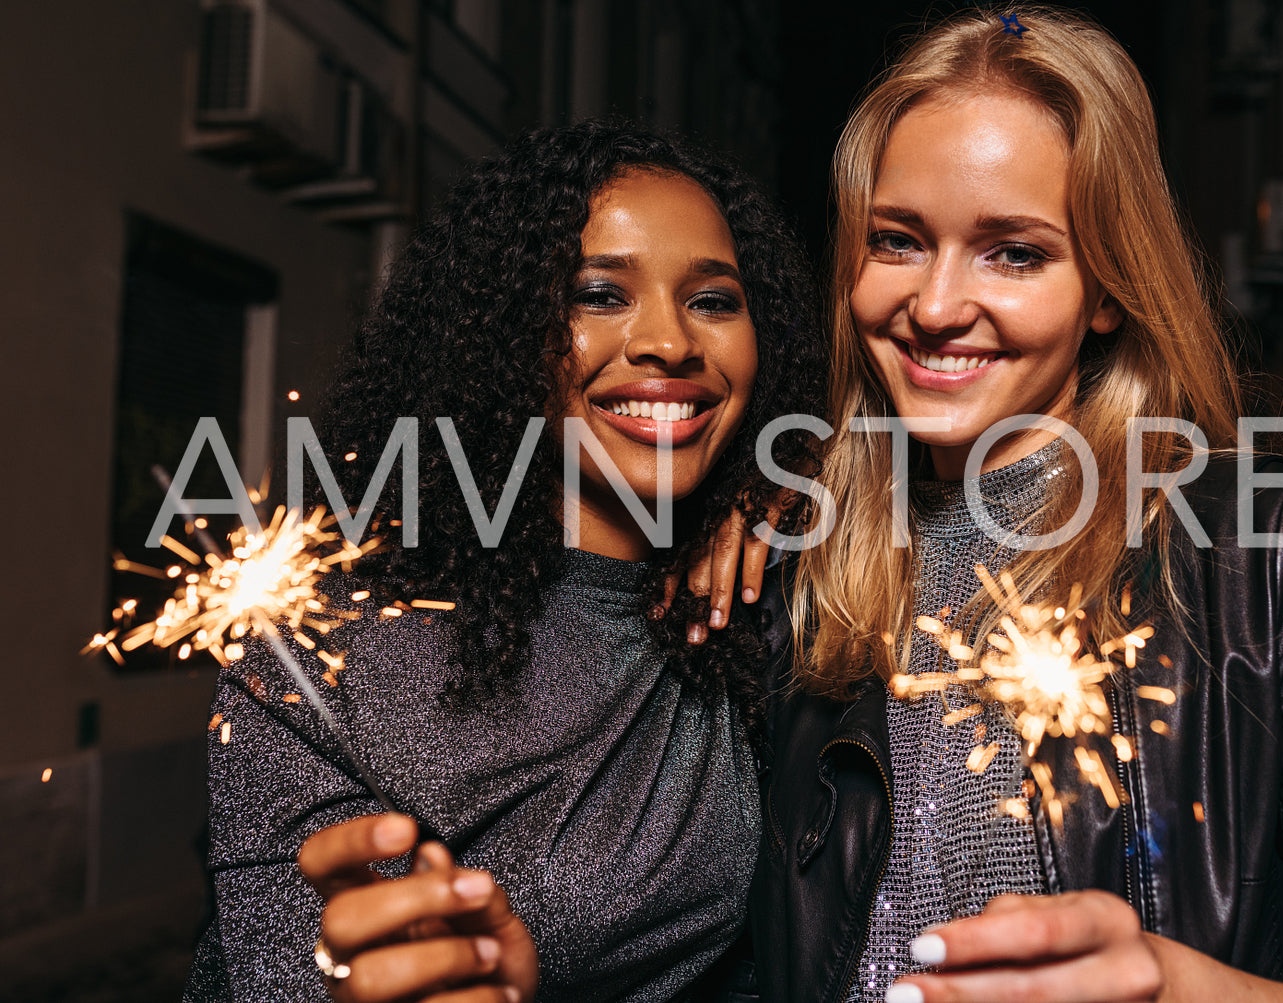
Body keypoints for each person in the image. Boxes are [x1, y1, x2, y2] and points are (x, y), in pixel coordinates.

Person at [749, 6, 1283, 1003]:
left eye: (1011, 251)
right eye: (896, 240)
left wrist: (1177, 985)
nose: (932, 305)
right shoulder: (805, 571)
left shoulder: (1275, 551)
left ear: (1103, 285)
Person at [183, 120, 825, 1003]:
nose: (670, 342)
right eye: (600, 293)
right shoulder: (323, 650)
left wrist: (801, 484)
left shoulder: (750, 607)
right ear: (500, 332)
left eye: (714, 300)